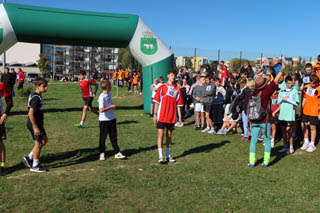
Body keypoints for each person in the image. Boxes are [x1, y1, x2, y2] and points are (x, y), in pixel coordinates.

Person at [247, 68, 283, 168]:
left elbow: (247, 109)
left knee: (253, 141)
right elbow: (274, 82)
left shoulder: (252, 94)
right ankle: (266, 162)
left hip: (254, 120)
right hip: (265, 120)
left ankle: (251, 162)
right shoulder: (266, 92)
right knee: (267, 140)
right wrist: (280, 72)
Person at [153, 69, 183, 164]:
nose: (172, 77)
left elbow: (179, 105)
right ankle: (160, 156)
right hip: (162, 116)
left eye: (174, 75)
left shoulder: (177, 89)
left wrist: (180, 118)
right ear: (168, 76)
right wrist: (155, 114)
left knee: (169, 136)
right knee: (160, 135)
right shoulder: (162, 88)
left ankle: (168, 155)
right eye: (171, 75)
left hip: (171, 117)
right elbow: (157, 102)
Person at [21, 78, 48, 172]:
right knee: (38, 143)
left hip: (38, 123)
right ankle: (35, 165)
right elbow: (30, 113)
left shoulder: (36, 95)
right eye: (44, 86)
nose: (46, 88)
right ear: (37, 86)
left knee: (44, 140)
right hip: (34, 123)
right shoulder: (36, 98)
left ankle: (28, 158)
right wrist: (35, 127)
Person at [98, 80, 126, 160]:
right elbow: (101, 110)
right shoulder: (101, 97)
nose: (111, 87)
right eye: (110, 86)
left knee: (114, 137)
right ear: (107, 87)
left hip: (112, 119)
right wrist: (110, 107)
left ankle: (117, 153)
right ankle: (102, 153)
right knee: (103, 137)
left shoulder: (109, 94)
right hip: (104, 121)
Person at [275, 76, 299, 154]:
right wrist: (282, 98)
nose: (289, 84)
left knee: (289, 131)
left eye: (290, 82)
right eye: (288, 82)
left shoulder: (294, 91)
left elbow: (296, 103)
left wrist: (288, 99)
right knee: (283, 131)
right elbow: (278, 102)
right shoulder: (282, 91)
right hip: (282, 114)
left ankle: (291, 147)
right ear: (285, 83)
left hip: (289, 115)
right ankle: (285, 146)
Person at [300, 74, 320, 153]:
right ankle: (306, 141)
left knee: (312, 127)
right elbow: (305, 97)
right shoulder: (306, 87)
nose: (314, 85)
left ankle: (312, 144)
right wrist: (302, 107)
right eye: (312, 83)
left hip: (314, 111)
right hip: (306, 110)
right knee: (303, 125)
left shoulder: (319, 89)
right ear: (310, 81)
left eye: (315, 83)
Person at [0, 82, 13, 176]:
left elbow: (10, 102)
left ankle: (2, 167)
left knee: (0, 143)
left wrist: (5, 114)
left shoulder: (1, 85)